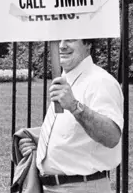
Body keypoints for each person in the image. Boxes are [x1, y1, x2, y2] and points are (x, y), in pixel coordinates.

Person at [15, 39, 123, 192]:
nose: (62, 45)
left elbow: (111, 137)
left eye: (70, 39)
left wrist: (73, 105)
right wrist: (39, 146)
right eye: (59, 39)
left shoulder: (101, 82)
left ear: (88, 43)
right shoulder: (66, 80)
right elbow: (72, 134)